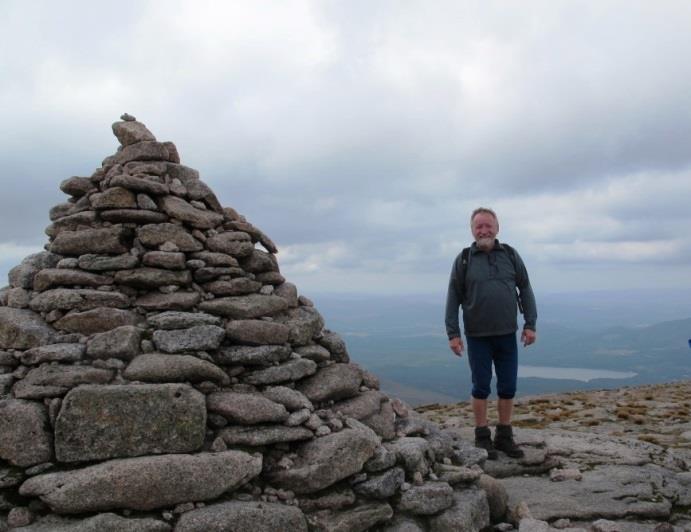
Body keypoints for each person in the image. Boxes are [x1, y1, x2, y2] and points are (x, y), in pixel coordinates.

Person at [445, 207, 537, 459]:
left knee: (508, 387)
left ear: (497, 228)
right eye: (479, 227)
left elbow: (525, 288)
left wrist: (530, 324)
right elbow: (453, 297)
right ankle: (482, 436)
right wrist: (453, 333)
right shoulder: (464, 259)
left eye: (488, 226)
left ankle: (505, 436)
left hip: (508, 333)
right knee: (481, 386)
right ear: (472, 230)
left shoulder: (510, 254)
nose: (484, 230)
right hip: (477, 336)